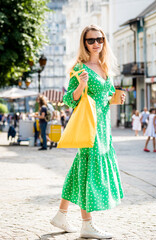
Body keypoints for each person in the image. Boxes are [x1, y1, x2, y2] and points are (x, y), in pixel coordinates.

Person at [50, 25, 125, 239]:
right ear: (84, 43)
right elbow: (68, 100)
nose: (95, 44)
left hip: (103, 128)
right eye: (90, 40)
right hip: (89, 128)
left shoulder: (104, 66)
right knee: (88, 173)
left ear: (104, 41)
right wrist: (81, 86)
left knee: (79, 170)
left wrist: (116, 99)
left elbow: (104, 97)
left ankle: (61, 215)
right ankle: (87, 224)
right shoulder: (80, 68)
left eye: (99, 39)